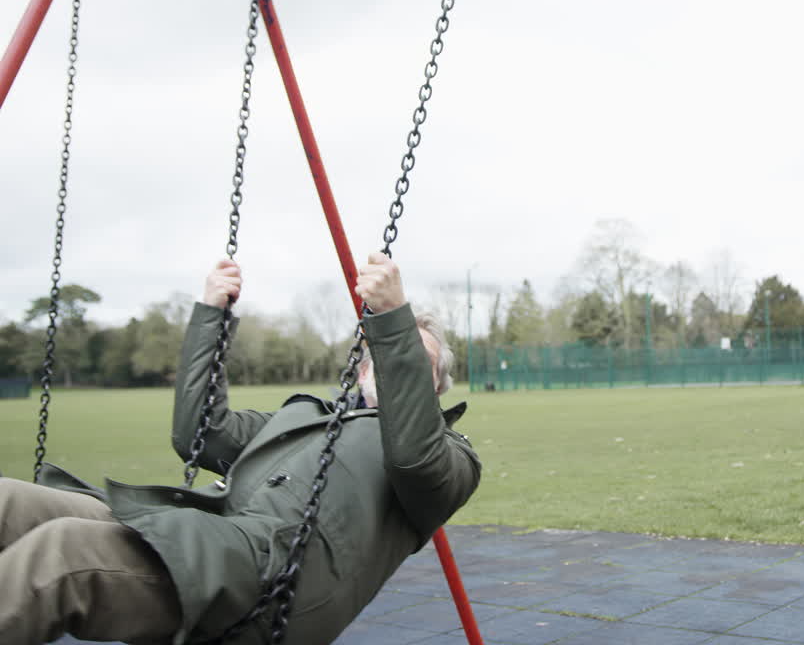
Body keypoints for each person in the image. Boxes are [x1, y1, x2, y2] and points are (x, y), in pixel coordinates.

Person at [0, 253, 482, 644]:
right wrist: (212, 315)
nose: (398, 363)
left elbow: (413, 456)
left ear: (436, 388)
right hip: (203, 535)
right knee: (11, 502)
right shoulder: (306, 416)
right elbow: (200, 435)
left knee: (61, 553)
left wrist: (395, 323)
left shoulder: (452, 458)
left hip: (267, 581)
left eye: (421, 362)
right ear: (362, 370)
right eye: (387, 354)